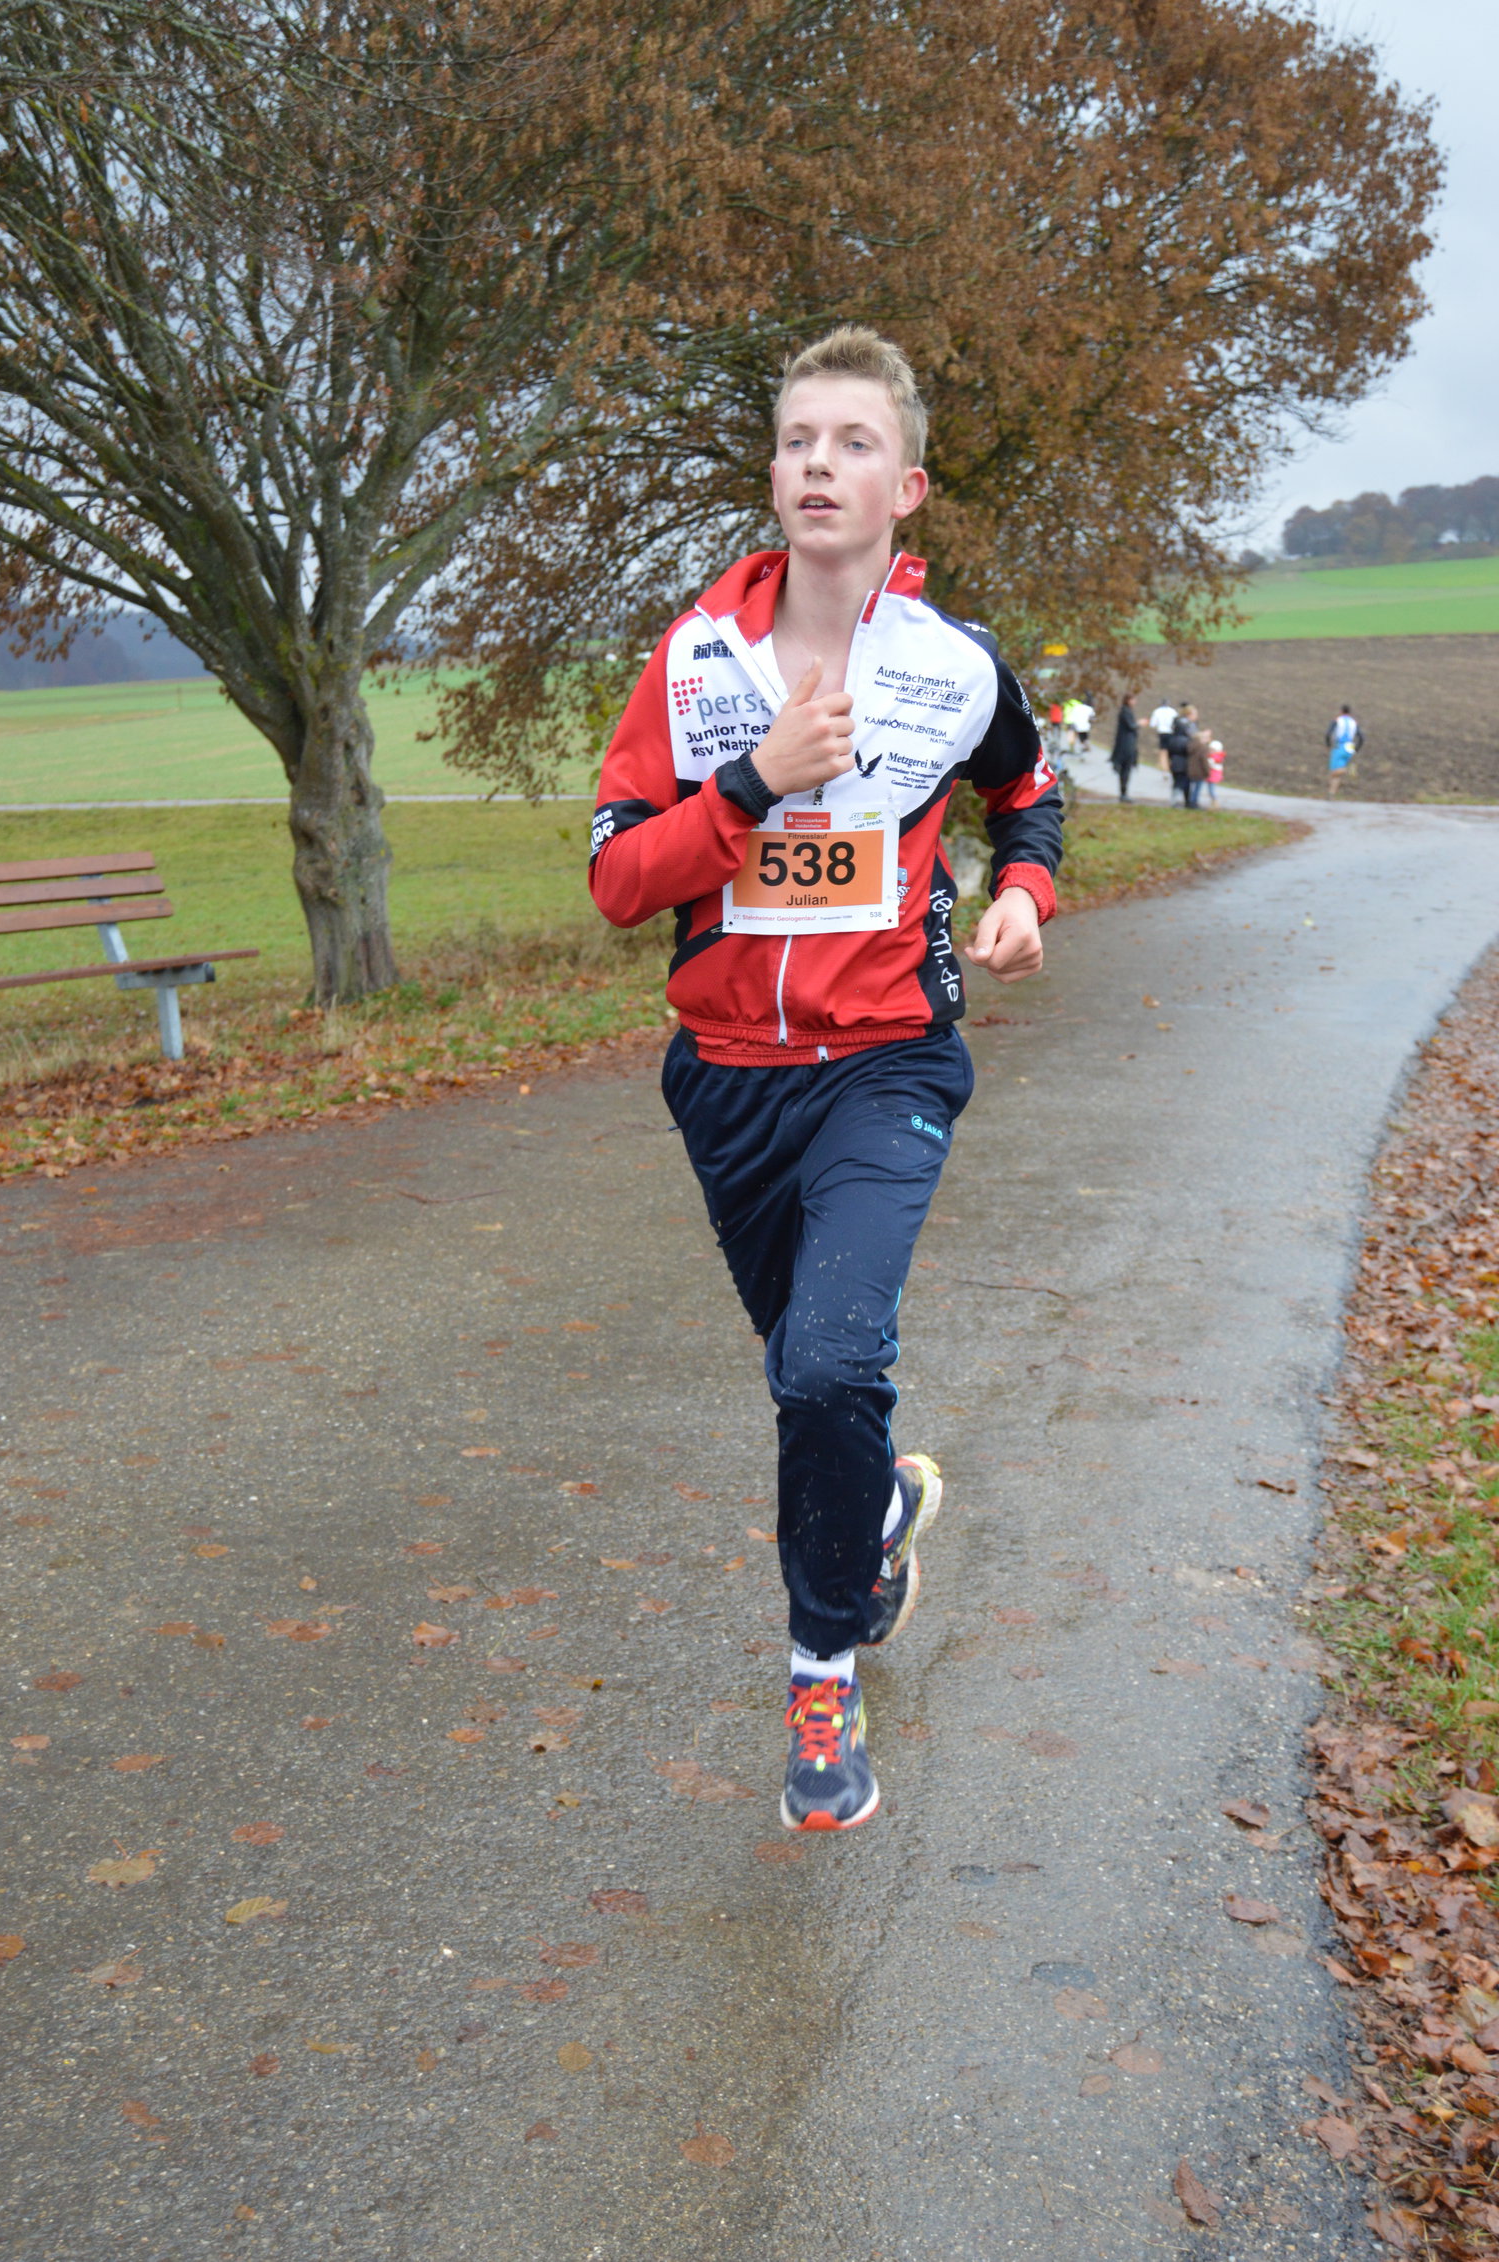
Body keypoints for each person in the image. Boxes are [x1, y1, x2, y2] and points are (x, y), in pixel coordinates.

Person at [589, 326, 1062, 1831]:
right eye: (798, 439)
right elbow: (617, 882)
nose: (819, 463)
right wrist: (751, 782)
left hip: (887, 1062)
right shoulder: (696, 662)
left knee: (829, 1364)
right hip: (729, 1082)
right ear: (773, 475)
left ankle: (821, 1673)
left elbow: (1029, 788)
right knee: (811, 1378)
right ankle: (880, 1506)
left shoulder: (951, 666)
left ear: (903, 486)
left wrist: (1024, 892)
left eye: (853, 442)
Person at [1162, 704, 1195, 806]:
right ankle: (1177, 802)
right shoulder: (1185, 740)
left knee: (1177, 782)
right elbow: (1188, 751)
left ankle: (1179, 801)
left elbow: (1169, 752)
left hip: (1174, 763)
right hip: (1183, 764)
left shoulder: (1172, 738)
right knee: (1181, 783)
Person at [1326, 705, 1362, 797]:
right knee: (1337, 774)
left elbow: (1328, 733)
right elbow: (1362, 737)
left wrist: (1328, 744)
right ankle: (1331, 793)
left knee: (1334, 772)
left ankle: (1347, 770)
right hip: (1350, 746)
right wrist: (1356, 749)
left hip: (1339, 745)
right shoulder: (1354, 722)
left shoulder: (1337, 720)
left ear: (1341, 711)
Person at [1110, 692, 1139, 800]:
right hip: (1126, 746)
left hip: (1126, 745)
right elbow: (1131, 726)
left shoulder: (1126, 711)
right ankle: (1123, 793)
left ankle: (1124, 792)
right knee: (1125, 770)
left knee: (1126, 771)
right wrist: (1139, 724)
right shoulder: (1125, 712)